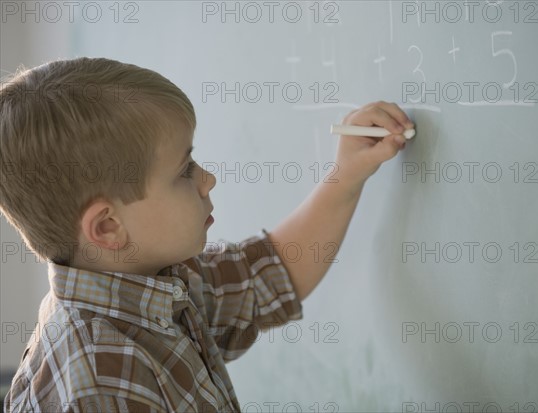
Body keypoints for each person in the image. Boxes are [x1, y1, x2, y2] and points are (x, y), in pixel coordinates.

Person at [0, 57, 413, 412]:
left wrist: (347, 175)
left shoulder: (153, 281)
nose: (208, 179)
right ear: (108, 227)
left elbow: (269, 275)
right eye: (184, 171)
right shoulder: (99, 384)